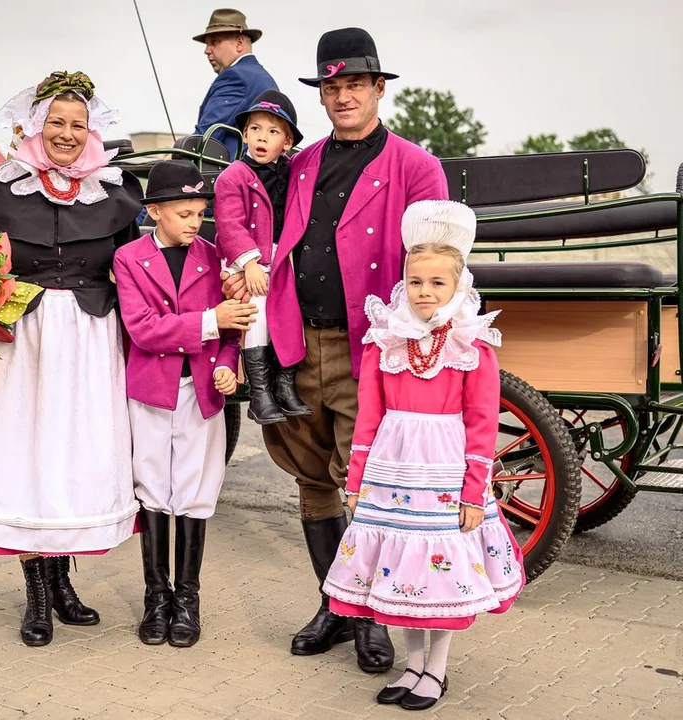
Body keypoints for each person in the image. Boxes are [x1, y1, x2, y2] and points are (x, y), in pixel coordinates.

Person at [223, 27, 451, 674]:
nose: (342, 95)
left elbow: (434, 262)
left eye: (354, 83)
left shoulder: (415, 166)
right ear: (320, 95)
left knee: (366, 486)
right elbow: (251, 216)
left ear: (378, 88)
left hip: (368, 351)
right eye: (331, 86)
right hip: (298, 341)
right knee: (309, 478)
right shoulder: (299, 163)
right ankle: (335, 605)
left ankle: (370, 616)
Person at [0, 71, 143, 647]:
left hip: (88, 343)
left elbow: (134, 273)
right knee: (23, 457)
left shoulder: (116, 197)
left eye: (78, 124)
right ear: (34, 125)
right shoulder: (1, 191)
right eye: (56, 123)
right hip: (16, 344)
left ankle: (64, 579)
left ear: (92, 129)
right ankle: (38, 593)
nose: (67, 135)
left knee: (71, 457)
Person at [322, 200, 526, 710]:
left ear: (458, 286)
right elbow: (367, 416)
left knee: (439, 571)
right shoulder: (385, 342)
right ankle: (411, 665)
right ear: (403, 283)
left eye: (438, 284)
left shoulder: (470, 346)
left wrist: (474, 492)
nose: (426, 293)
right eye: (416, 282)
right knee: (403, 574)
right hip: (393, 472)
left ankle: (436, 670)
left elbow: (481, 424)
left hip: (443, 471)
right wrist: (355, 480)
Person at [114, 159, 251, 648]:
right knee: (152, 486)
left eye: (200, 213)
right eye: (185, 213)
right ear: (154, 211)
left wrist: (227, 360)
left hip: (201, 390)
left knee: (194, 492)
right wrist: (210, 324)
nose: (196, 222)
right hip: (152, 389)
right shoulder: (129, 258)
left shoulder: (214, 258)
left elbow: (235, 326)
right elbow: (143, 329)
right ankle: (156, 597)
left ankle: (187, 601)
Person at [214, 89, 311, 425]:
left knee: (287, 317)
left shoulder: (290, 172)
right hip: (250, 261)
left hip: (280, 259)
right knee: (258, 315)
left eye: (272, 132)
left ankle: (284, 386)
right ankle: (260, 393)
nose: (261, 137)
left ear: (286, 143)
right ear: (244, 134)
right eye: (255, 129)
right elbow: (229, 224)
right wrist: (250, 263)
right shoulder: (234, 176)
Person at [193, 8, 278, 159]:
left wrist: (171, 158)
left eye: (214, 42)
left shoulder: (235, 77)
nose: (207, 50)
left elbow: (205, 137)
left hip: (231, 175)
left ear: (239, 43)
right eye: (207, 44)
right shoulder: (260, 77)